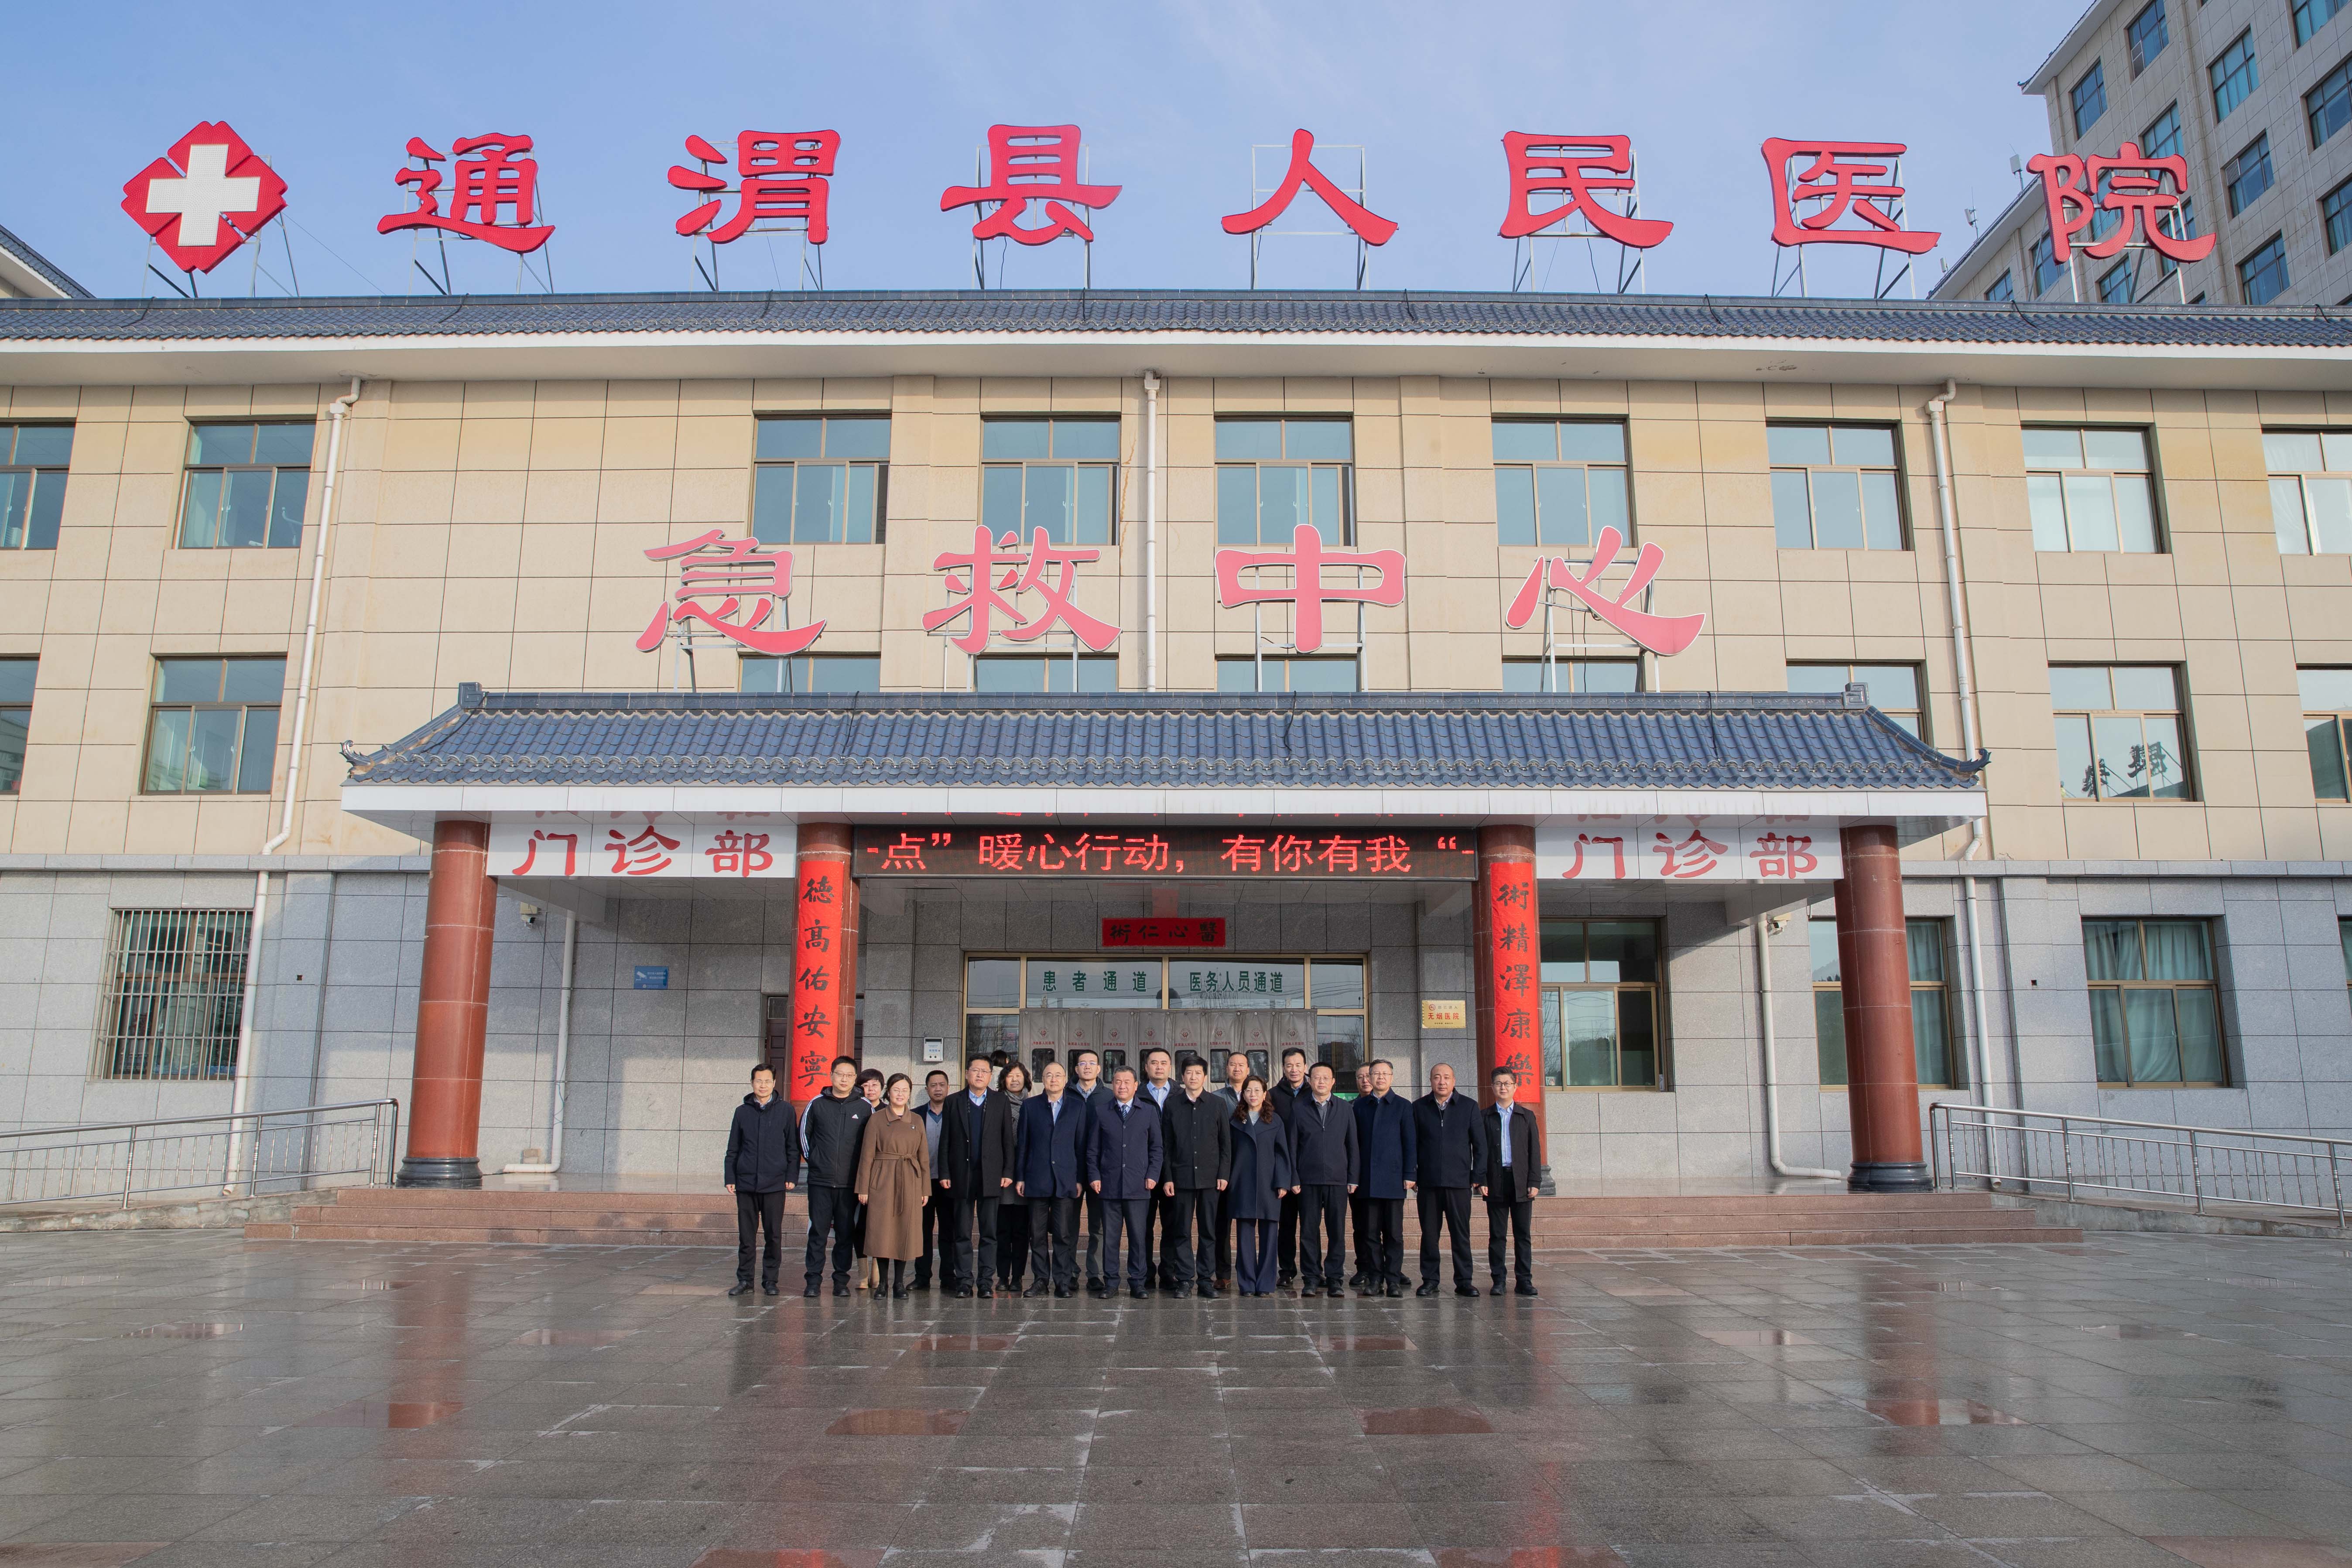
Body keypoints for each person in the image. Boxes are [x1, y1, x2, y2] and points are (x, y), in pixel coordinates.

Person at [937, 1054, 1017, 1298]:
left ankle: (985, 1282)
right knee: (962, 1232)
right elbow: (945, 1140)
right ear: (966, 1074)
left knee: (989, 1233)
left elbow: (1007, 1140)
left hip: (991, 1175)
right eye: (975, 1070)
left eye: (985, 1071)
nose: (980, 1075)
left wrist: (1008, 1171)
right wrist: (945, 1172)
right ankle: (964, 1281)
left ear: (991, 1076)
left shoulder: (1000, 1101)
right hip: (961, 1175)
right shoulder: (953, 1102)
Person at [722, 1063, 798, 1298]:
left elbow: (792, 1147)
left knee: (773, 1235)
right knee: (746, 1236)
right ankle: (745, 1280)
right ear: (752, 1083)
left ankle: (771, 1281)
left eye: (767, 1081)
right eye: (759, 1081)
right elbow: (733, 1148)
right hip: (746, 1183)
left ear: (774, 1083)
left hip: (775, 1183)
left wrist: (791, 1176)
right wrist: (730, 1176)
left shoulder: (786, 1110)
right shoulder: (742, 1112)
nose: (763, 1085)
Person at [799, 1055, 873, 1298]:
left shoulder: (865, 1107)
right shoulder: (817, 1104)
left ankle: (841, 1282)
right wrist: (816, 1162)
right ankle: (813, 1281)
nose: (844, 1079)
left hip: (849, 1184)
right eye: (840, 1074)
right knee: (818, 1233)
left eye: (849, 1075)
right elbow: (804, 1136)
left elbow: (871, 1144)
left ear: (855, 1079)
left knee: (845, 1234)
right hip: (820, 1182)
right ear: (831, 1075)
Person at [1013, 1060, 1088, 1297]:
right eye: (1049, 1075)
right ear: (1042, 1079)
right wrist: (1020, 1177)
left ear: (1066, 1080)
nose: (1053, 1079)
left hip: (1066, 1180)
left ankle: (1063, 1281)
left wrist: (1080, 1179)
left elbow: (1081, 1147)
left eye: (1058, 1075)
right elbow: (1023, 1144)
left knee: (1064, 1234)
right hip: (1037, 1179)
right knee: (1037, 1234)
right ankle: (1040, 1280)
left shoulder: (1077, 1106)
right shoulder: (1030, 1106)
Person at [1411, 1063, 1486, 1298]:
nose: (1442, 1082)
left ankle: (1464, 1281)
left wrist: (1477, 1176)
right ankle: (1430, 1280)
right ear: (1430, 1081)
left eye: (1446, 1077)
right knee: (1429, 1235)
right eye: (1437, 1077)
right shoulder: (1419, 1107)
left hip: (1459, 1183)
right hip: (1428, 1183)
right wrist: (1412, 1175)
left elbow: (1480, 1145)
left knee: (1460, 1235)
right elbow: (1411, 1145)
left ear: (1454, 1080)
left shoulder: (1469, 1107)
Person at [1159, 1057, 1231, 1298]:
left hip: (1211, 1179)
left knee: (1208, 1231)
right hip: (1181, 1178)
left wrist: (1224, 1174)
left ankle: (1205, 1280)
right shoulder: (1172, 1105)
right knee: (1181, 1231)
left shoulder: (1217, 1104)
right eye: (1189, 1072)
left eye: (1198, 1073)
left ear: (1205, 1076)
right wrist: (1168, 1177)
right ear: (1182, 1077)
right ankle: (1185, 1279)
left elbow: (1225, 1144)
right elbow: (1167, 1145)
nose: (1193, 1077)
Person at [1087, 1066, 1162, 1298]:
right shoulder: (1102, 1112)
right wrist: (1094, 1175)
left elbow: (1157, 1148)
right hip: (1109, 1185)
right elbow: (1092, 1150)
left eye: (1127, 1082)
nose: (1122, 1086)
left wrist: (1153, 1175)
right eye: (1118, 1082)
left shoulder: (1148, 1112)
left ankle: (1138, 1282)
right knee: (1110, 1238)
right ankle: (1111, 1282)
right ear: (1112, 1085)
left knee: (1138, 1237)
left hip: (1139, 1185)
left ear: (1136, 1086)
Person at [856, 1074, 930, 1300]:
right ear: (888, 1092)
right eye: (896, 1090)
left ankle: (899, 1283)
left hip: (910, 1179)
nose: (900, 1094)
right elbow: (867, 1156)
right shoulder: (877, 1119)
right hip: (883, 1179)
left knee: (904, 1230)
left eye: (905, 1090)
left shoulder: (917, 1120)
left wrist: (925, 1189)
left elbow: (924, 1157)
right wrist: (863, 1188)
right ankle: (882, 1284)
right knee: (882, 1231)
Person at [1287, 1061, 1357, 1298]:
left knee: (1337, 1231)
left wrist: (1353, 1178)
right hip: (1308, 1180)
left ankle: (1335, 1278)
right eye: (1316, 1078)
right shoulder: (1299, 1108)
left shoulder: (1345, 1109)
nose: (1321, 1082)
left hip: (1338, 1180)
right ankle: (1311, 1277)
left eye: (1326, 1078)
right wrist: (1294, 1177)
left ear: (1333, 1082)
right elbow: (1292, 1147)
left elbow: (1353, 1146)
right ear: (1310, 1081)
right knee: (1309, 1230)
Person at [1226, 1076, 1296, 1296]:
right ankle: (1247, 1284)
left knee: (1269, 1236)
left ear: (1265, 1094)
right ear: (1243, 1094)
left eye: (1257, 1090)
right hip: (1243, 1184)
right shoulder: (1235, 1120)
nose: (1253, 1094)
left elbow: (1283, 1154)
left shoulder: (1275, 1120)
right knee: (1244, 1236)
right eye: (1249, 1090)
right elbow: (1228, 1153)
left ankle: (1265, 1284)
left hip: (1269, 1184)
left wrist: (1283, 1182)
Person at [1353, 1059, 1417, 1298]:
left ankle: (1393, 1279)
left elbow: (1410, 1142)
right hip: (1367, 1180)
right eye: (1376, 1073)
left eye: (1385, 1074)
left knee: (1394, 1234)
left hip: (1394, 1179)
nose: (1380, 1077)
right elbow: (1354, 1145)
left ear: (1391, 1077)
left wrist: (1410, 1173)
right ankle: (1375, 1278)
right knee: (1370, 1233)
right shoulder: (1359, 1107)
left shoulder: (1403, 1106)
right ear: (1369, 1077)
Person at [1480, 1067, 1542, 1298]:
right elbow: (1479, 1151)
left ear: (1515, 1087)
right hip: (1495, 1181)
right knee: (1497, 1235)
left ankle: (1524, 1281)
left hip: (1521, 1182)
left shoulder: (1526, 1116)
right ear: (1493, 1087)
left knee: (1523, 1234)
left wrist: (1534, 1180)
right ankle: (1498, 1280)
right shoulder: (1485, 1116)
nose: (1503, 1087)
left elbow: (1534, 1151)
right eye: (1499, 1083)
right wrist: (1481, 1179)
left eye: (1507, 1083)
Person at [1267, 1046, 1311, 1289]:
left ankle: (1313, 1271)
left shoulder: (1314, 1092)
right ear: (1283, 1068)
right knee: (1286, 1225)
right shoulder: (1273, 1095)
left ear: (1306, 1067)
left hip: (1310, 1170)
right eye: (1289, 1065)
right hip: (1284, 1169)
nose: (1294, 1070)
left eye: (1298, 1065)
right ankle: (1286, 1270)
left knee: (1310, 1225)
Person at [1067, 1049, 1109, 1293]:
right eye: (1082, 1063)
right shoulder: (1065, 1094)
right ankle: (1070, 1273)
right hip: (1070, 1169)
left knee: (1098, 1226)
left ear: (1099, 1069)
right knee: (1069, 1225)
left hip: (1101, 1171)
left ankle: (1096, 1274)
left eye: (1092, 1063)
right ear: (1076, 1069)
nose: (1087, 1067)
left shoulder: (1108, 1096)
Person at [1209, 1051, 1250, 1290]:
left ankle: (1248, 1272)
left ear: (1248, 1069)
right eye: (1233, 1065)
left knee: (1247, 1224)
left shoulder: (1257, 1095)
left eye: (1241, 1065)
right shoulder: (1216, 1098)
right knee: (1221, 1224)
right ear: (1226, 1069)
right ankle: (1222, 1274)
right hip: (1223, 1169)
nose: (1237, 1068)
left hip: (1248, 1169)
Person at [1136, 1048, 1177, 1287]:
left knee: (1172, 1224)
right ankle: (1146, 1272)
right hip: (1143, 1170)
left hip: (1173, 1170)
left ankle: (1169, 1272)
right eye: (1154, 1063)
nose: (1159, 1067)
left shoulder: (1181, 1094)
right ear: (1146, 1067)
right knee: (1144, 1225)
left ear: (1170, 1067)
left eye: (1163, 1063)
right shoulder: (1137, 1094)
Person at [993, 1062, 1034, 1294]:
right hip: (1002, 1177)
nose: (1015, 1080)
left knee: (1021, 1231)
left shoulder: (1034, 1104)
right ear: (1004, 1080)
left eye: (1019, 1076)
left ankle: (1017, 1276)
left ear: (1026, 1079)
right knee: (1002, 1231)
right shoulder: (996, 1103)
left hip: (1025, 1177)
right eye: (1010, 1076)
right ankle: (1002, 1276)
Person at [912, 1069, 951, 1291]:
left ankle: (948, 1276)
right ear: (927, 1089)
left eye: (942, 1085)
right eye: (933, 1085)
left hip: (948, 1182)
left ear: (948, 1088)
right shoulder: (915, 1115)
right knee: (922, 1232)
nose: (938, 1089)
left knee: (948, 1232)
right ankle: (922, 1276)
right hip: (923, 1183)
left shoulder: (956, 1113)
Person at [853, 1068, 887, 1291]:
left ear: (882, 1088)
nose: (870, 1089)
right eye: (865, 1085)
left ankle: (877, 1273)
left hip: (883, 1178)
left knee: (879, 1226)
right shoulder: (855, 1109)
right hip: (859, 1176)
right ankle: (863, 1275)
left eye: (875, 1085)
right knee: (861, 1225)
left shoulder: (888, 1111)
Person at [1348, 1061, 1376, 1288]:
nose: (1365, 1081)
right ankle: (1364, 1267)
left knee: (1387, 1226)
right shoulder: (1351, 1108)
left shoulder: (1392, 1105)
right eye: (1360, 1077)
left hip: (1384, 1175)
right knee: (1361, 1225)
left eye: (1368, 1076)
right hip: (1358, 1176)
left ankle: (1388, 1268)